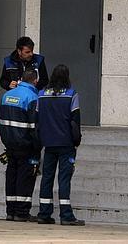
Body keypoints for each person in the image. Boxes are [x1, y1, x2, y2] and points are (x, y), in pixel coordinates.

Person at [36, 64, 85, 226]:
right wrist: (76, 141)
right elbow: (75, 121)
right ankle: (66, 215)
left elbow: (37, 120)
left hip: (48, 143)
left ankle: (44, 213)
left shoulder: (41, 95)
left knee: (47, 177)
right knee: (64, 179)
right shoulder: (72, 95)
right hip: (66, 144)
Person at [0, 70, 41, 222]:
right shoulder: (32, 98)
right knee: (25, 178)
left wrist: (6, 141)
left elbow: (1, 122)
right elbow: (34, 126)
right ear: (35, 81)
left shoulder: (6, 96)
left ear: (22, 79)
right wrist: (37, 146)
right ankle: (21, 213)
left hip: (10, 144)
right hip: (26, 145)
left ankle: (10, 211)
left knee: (11, 176)